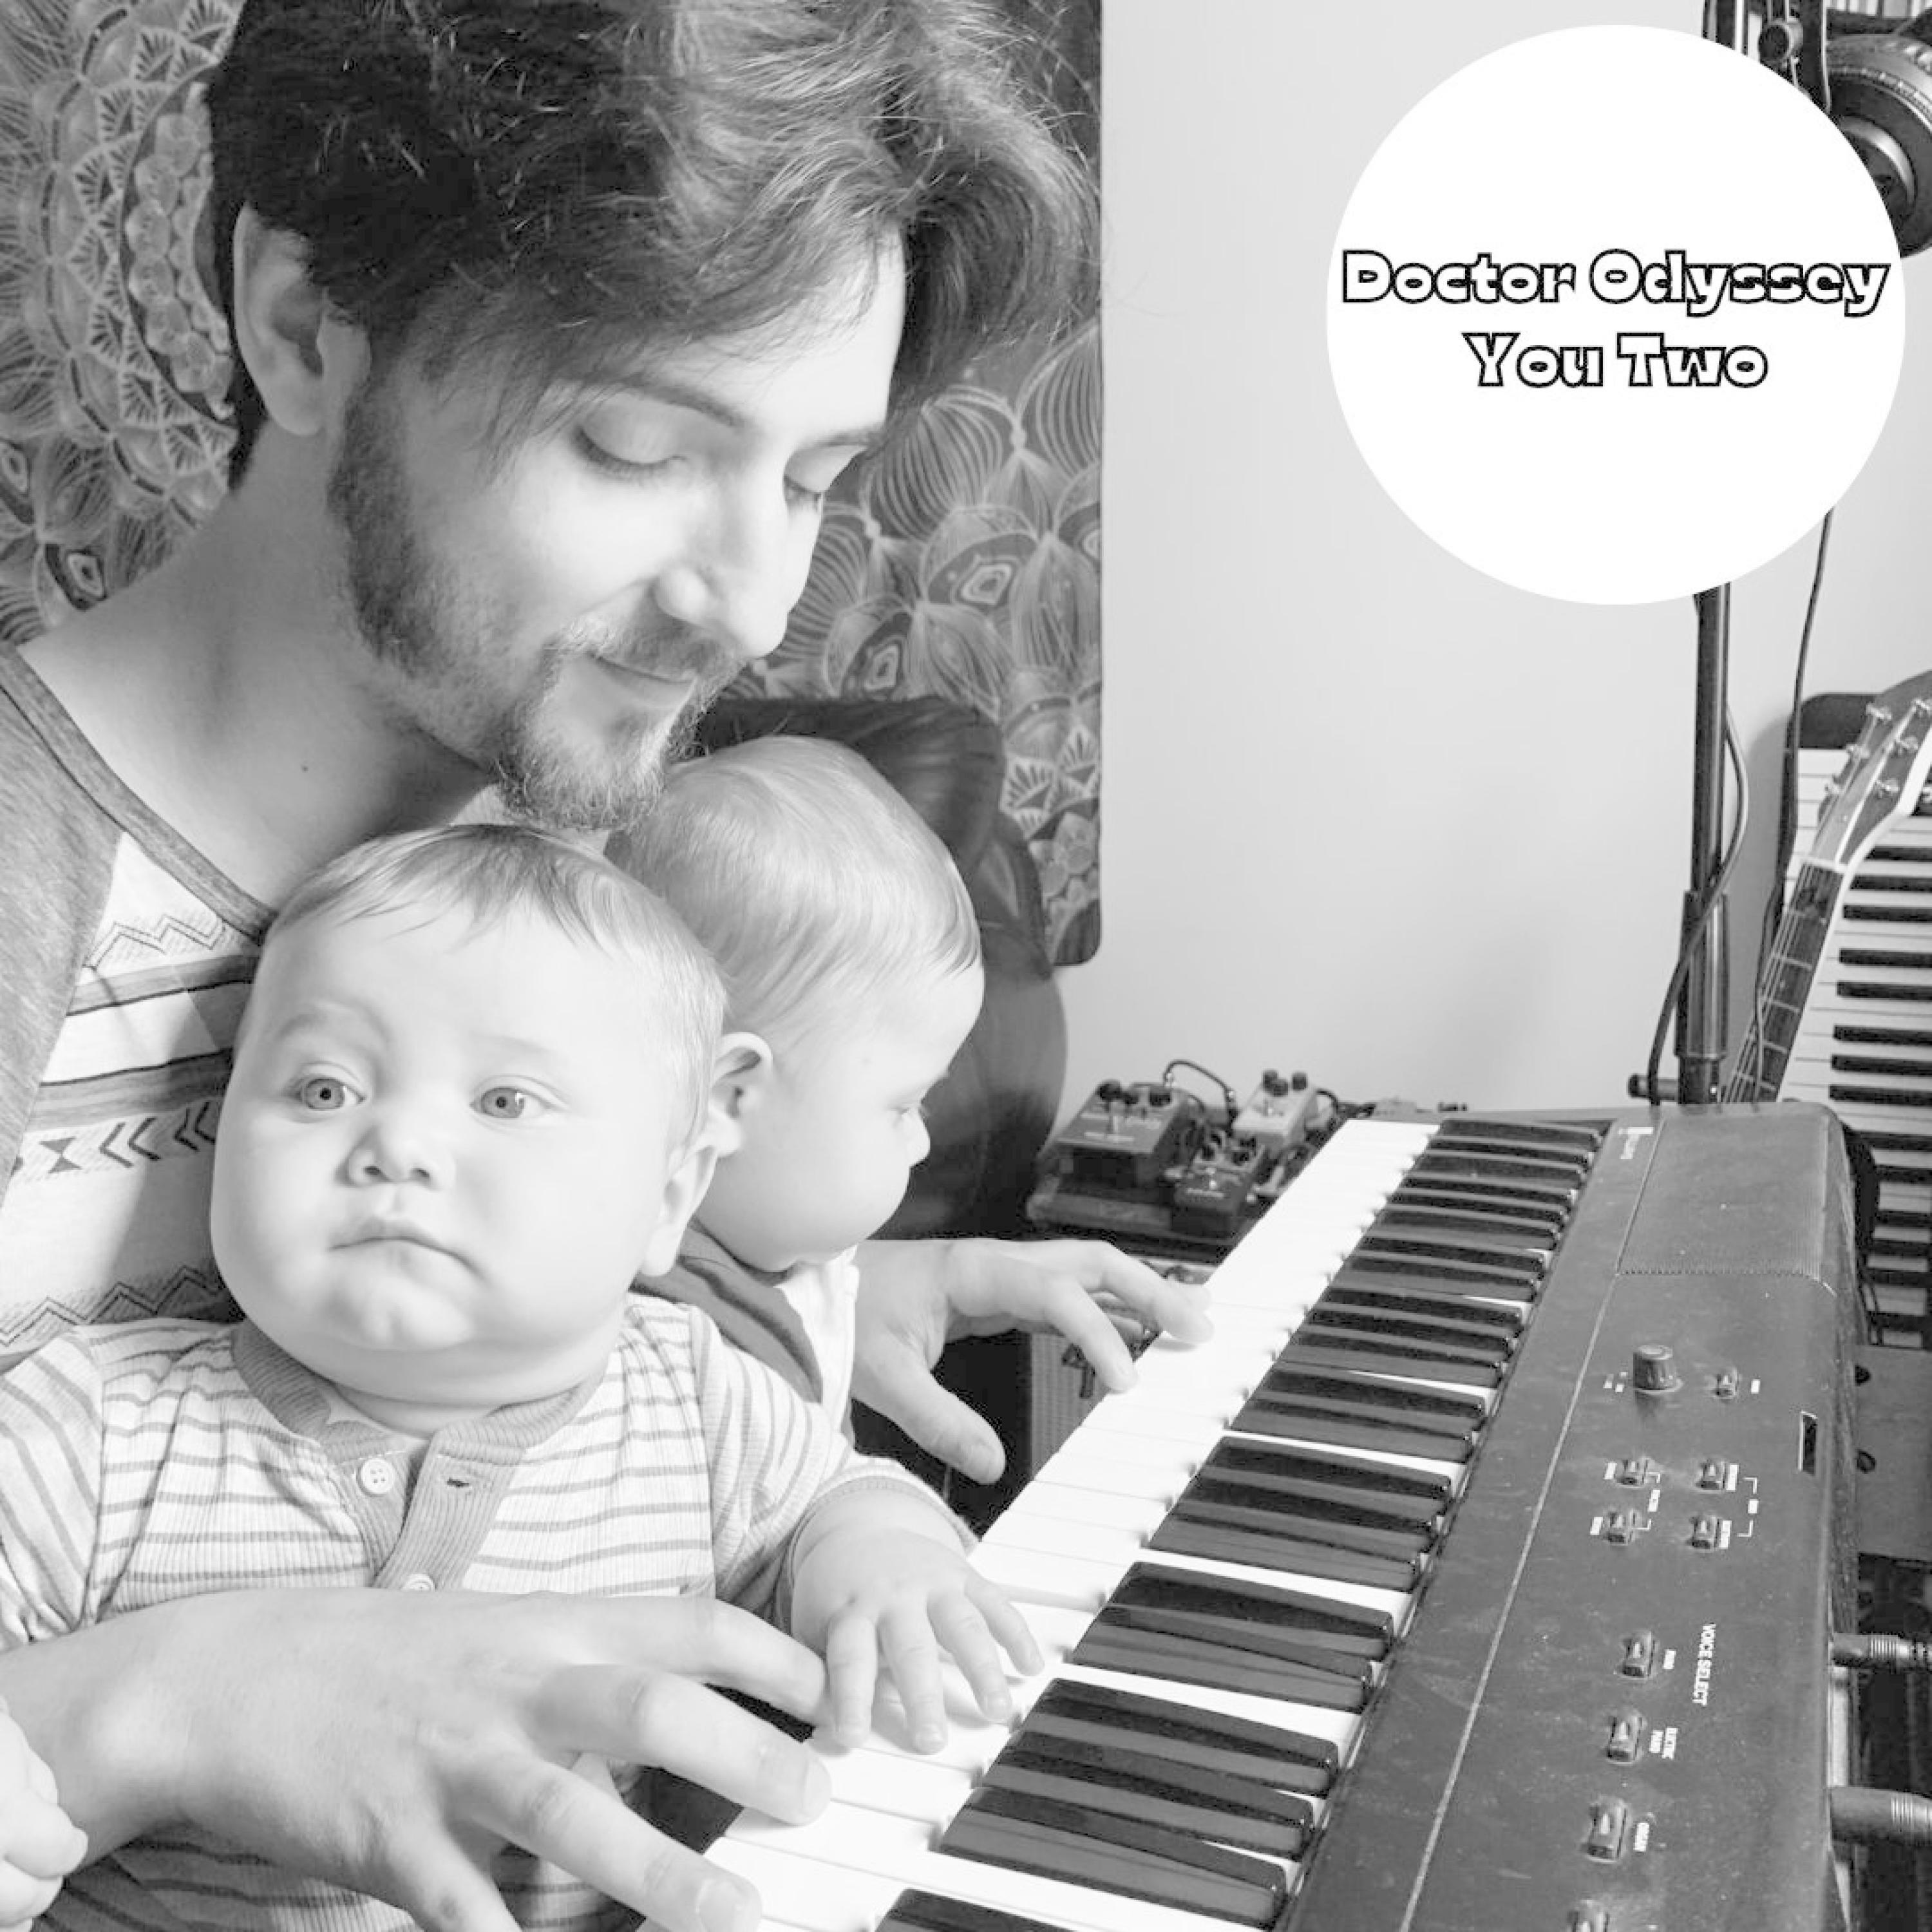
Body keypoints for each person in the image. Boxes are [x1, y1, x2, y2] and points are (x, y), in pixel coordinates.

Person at [0, 5, 1206, 1928]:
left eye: (811, 479)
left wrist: (801, 1314)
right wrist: (152, 1704)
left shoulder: (578, 868)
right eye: (636, 445)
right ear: (302, 326)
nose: (754, 604)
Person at [0, 823, 1039, 1931]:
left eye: (504, 1101)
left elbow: (839, 1497)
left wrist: (881, 1554)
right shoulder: (86, 1426)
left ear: (670, 1196)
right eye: (322, 1089)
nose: (396, 1145)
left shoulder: (693, 1398)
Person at [612, 732, 985, 1427]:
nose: (922, 1144)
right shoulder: (677, 1356)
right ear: (728, 1097)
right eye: (904, 1106)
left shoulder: (760, 1264)